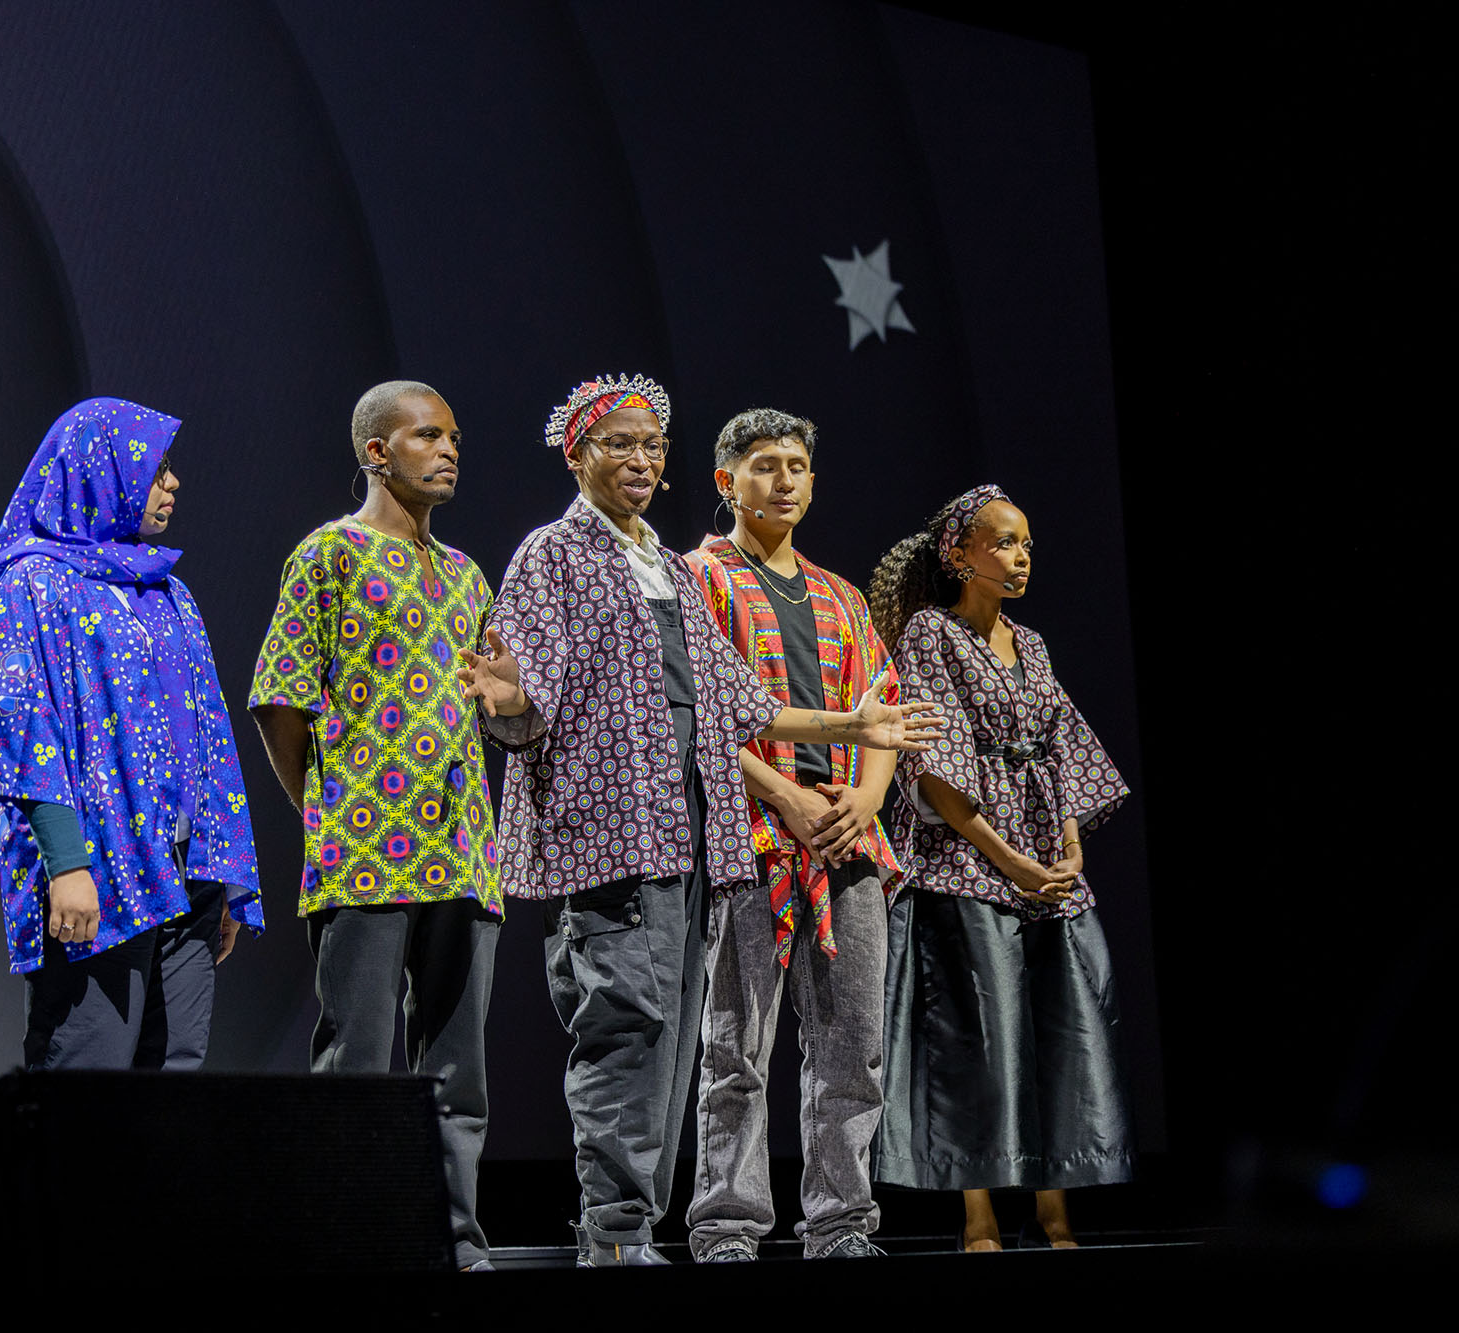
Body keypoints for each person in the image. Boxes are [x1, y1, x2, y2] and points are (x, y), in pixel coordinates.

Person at [458, 374, 940, 1267]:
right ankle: (627, 1233)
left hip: (688, 838)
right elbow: (522, 697)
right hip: (614, 835)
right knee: (636, 1030)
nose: (641, 459)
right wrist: (509, 700)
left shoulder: (665, 565)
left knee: (677, 1038)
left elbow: (737, 700)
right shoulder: (554, 554)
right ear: (578, 452)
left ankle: (655, 1229)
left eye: (652, 445)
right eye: (620, 443)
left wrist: (854, 732)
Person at [249, 381, 501, 1272]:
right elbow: (279, 699)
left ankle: (453, 1239)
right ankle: (351, 1243)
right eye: (428, 435)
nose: (449, 449)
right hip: (364, 851)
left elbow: (495, 702)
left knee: (458, 1070)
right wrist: (325, 811)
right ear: (376, 452)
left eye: (455, 436)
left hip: (463, 852)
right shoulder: (329, 554)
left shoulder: (466, 573)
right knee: (357, 1062)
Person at [0, 397, 261, 1071]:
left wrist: (224, 873)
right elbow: (24, 734)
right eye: (155, 468)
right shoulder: (35, 585)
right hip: (101, 873)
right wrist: (67, 864)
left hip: (190, 879)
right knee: (87, 1083)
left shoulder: (169, 591)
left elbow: (209, 734)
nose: (172, 483)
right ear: (98, 471)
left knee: (174, 1080)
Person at [867, 484, 1134, 1251]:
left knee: (1062, 1029)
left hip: (1044, 863)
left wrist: (1069, 847)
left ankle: (1054, 1212)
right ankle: (978, 1216)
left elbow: (1064, 750)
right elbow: (936, 766)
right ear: (959, 553)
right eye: (1005, 542)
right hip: (968, 862)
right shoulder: (932, 633)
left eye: (1026, 545)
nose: (1021, 558)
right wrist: (1010, 860)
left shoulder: (1033, 643)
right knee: (979, 1038)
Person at [680, 408, 902, 1262]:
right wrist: (787, 799)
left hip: (847, 840)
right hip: (754, 838)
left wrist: (863, 801)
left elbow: (881, 711)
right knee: (736, 1045)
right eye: (765, 464)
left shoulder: (841, 595)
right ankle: (727, 1224)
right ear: (726, 480)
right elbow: (699, 715)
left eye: (797, 465)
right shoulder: (700, 580)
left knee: (853, 1048)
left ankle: (841, 1222)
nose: (784, 480)